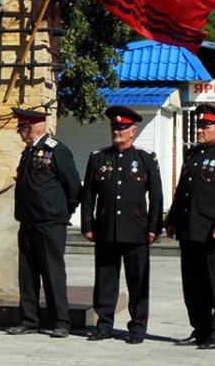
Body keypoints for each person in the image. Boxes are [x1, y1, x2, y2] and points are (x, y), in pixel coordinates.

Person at [80, 106, 163, 344]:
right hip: (106, 229)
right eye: (114, 127)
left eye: (122, 128)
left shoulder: (145, 158)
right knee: (105, 279)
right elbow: (88, 194)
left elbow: (156, 196)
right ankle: (104, 324)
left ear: (133, 131)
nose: (117, 131)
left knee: (137, 281)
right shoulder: (98, 157)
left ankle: (137, 327)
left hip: (136, 230)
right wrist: (88, 224)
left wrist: (153, 228)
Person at [166, 104, 215, 350]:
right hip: (190, 230)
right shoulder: (192, 155)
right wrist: (172, 220)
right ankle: (200, 329)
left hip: (213, 231)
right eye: (199, 125)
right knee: (193, 285)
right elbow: (182, 193)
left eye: (205, 126)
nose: (200, 130)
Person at [5, 108, 81, 338]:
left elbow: (74, 187)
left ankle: (60, 321)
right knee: (27, 274)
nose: (19, 132)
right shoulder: (28, 152)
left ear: (32, 127)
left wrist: (61, 213)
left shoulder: (56, 151)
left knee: (52, 272)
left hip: (50, 223)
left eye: (22, 127)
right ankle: (29, 319)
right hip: (28, 223)